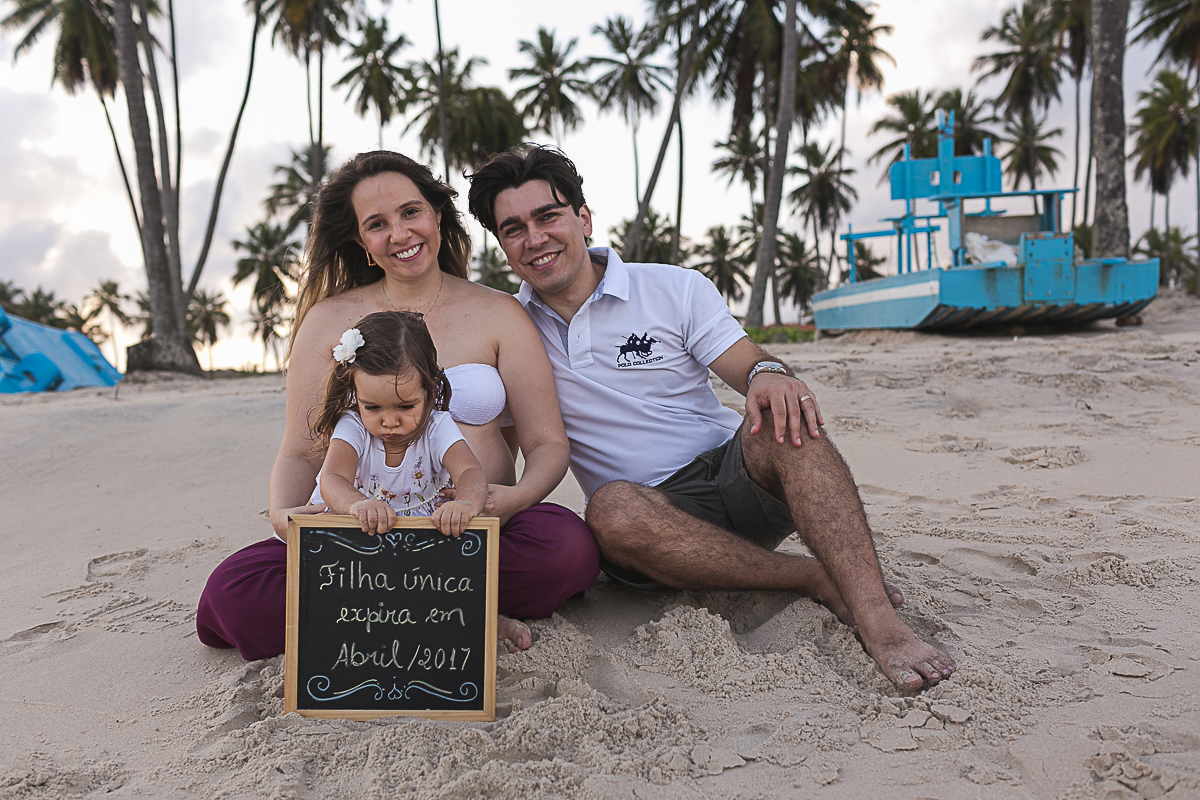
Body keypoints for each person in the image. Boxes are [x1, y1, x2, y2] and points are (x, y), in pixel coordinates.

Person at [465, 145, 957, 691]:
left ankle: (882, 624)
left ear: (583, 218)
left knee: (782, 418)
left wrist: (769, 374)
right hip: (645, 521)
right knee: (610, 509)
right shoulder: (511, 330)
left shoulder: (672, 287)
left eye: (548, 216)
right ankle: (814, 576)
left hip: (733, 475)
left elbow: (750, 363)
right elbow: (507, 446)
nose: (534, 239)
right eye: (513, 229)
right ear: (502, 244)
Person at [197, 151, 599, 662]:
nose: (400, 233)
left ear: (436, 215)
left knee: (568, 550)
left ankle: (390, 614)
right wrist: (283, 516)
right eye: (378, 224)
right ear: (363, 243)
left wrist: (516, 499)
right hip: (358, 543)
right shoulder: (327, 322)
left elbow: (547, 443)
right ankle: (458, 614)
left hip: (470, 532)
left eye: (411, 212)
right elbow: (301, 451)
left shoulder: (499, 313)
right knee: (232, 592)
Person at [309, 311, 486, 539]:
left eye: (405, 407)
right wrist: (357, 505)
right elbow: (333, 478)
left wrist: (465, 503)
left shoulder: (436, 427)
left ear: (429, 389)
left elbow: (469, 471)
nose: (390, 422)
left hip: (423, 529)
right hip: (355, 526)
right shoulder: (353, 426)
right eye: (372, 407)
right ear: (355, 393)